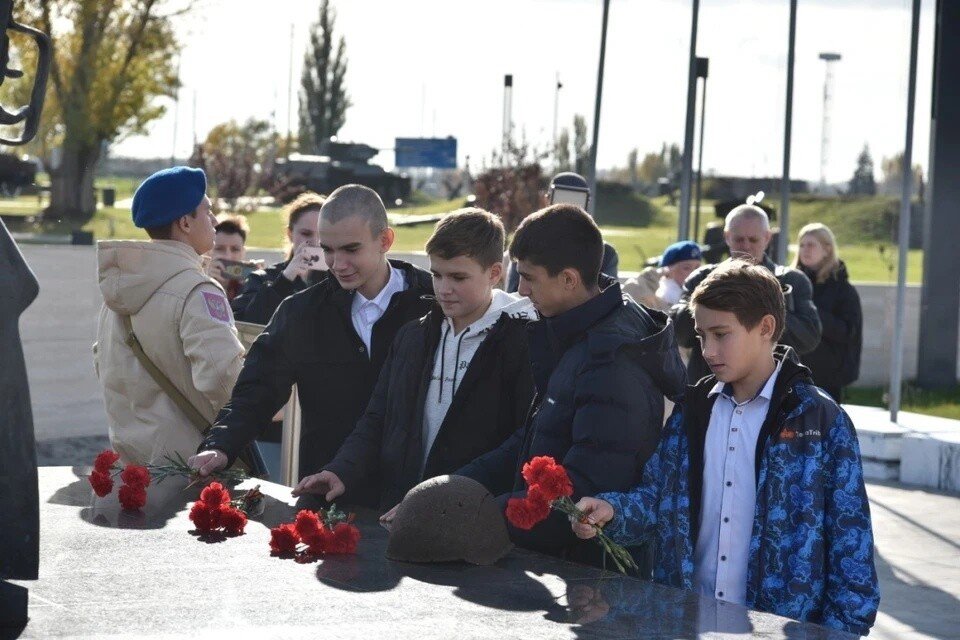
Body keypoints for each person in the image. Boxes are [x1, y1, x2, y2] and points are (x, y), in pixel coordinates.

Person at [570, 261, 879, 637]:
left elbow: (852, 548)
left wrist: (836, 633)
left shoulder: (818, 420)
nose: (708, 349)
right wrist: (613, 512)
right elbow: (659, 499)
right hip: (686, 626)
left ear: (765, 328)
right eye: (701, 336)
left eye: (721, 334)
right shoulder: (692, 410)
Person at [456, 204, 687, 569]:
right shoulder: (577, 332)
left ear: (569, 279)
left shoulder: (610, 360)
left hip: (586, 578)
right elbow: (534, 439)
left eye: (530, 278)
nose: (520, 289)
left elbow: (578, 493)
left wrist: (472, 517)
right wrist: (455, 489)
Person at [188, 185, 433, 504]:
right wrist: (220, 445)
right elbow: (257, 390)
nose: (337, 263)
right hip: (325, 501)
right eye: (328, 249)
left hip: (412, 500)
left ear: (385, 240)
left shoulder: (433, 302)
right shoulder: (301, 312)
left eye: (351, 249)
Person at [292, 208, 536, 512]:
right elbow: (378, 417)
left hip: (474, 522)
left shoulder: (523, 340)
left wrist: (442, 497)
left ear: (495, 273)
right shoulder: (413, 336)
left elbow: (523, 441)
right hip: (399, 515)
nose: (444, 289)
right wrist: (342, 469)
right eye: (436, 274)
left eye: (458, 277)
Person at [93, 166, 245, 465]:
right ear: (185, 223)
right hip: (192, 466)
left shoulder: (117, 292)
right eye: (207, 211)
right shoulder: (199, 292)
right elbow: (224, 380)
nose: (215, 220)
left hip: (132, 465)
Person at [670, 204, 821, 383]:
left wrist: (760, 303)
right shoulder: (701, 278)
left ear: (767, 237)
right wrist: (711, 296)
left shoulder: (792, 280)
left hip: (773, 391)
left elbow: (809, 338)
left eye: (753, 240)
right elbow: (679, 333)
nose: (746, 246)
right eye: (739, 239)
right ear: (727, 237)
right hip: (710, 391)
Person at [504, 172, 618, 292]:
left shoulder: (606, 253)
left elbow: (607, 294)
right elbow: (514, 295)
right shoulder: (527, 246)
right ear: (546, 200)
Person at [231, 191, 326, 324]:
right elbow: (244, 325)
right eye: (306, 233)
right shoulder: (261, 279)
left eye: (323, 235)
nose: (315, 242)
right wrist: (284, 281)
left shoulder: (339, 281)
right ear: (290, 234)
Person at [793, 223, 863, 403]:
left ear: (827, 249)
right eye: (802, 245)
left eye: (811, 245)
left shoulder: (843, 290)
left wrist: (812, 313)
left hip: (829, 377)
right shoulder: (790, 284)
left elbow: (849, 332)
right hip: (795, 373)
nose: (805, 250)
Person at [623, 240, 703, 311]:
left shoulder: (701, 296)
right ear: (669, 270)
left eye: (697, 267)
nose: (694, 272)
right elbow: (633, 289)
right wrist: (658, 272)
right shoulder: (659, 298)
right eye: (686, 268)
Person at [207, 214, 261, 301]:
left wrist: (258, 286)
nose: (227, 256)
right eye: (219, 249)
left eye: (235, 249)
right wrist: (208, 283)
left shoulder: (250, 285)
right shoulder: (198, 281)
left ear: (243, 253)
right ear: (209, 251)